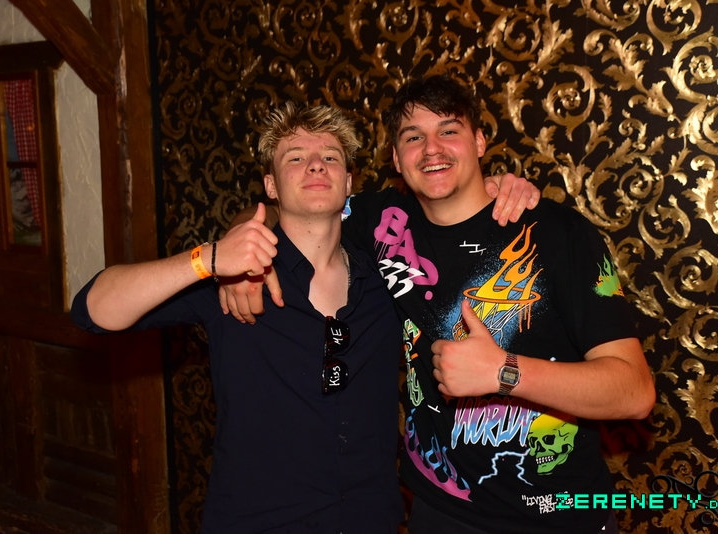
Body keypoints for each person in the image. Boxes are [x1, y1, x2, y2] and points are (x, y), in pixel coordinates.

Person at [222, 76, 656, 534]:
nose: (432, 149)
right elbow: (290, 206)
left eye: (449, 130)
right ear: (396, 159)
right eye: (413, 137)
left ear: (480, 142)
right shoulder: (382, 222)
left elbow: (635, 393)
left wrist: (505, 372)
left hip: (554, 519)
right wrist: (243, 244)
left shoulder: (557, 233)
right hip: (436, 512)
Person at [71, 103, 407, 533]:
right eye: (296, 157)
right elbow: (92, 309)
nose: (315, 165)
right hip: (259, 522)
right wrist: (208, 259)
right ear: (270, 185)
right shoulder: (231, 278)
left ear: (347, 182)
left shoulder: (388, 279)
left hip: (369, 519)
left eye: (330, 156)